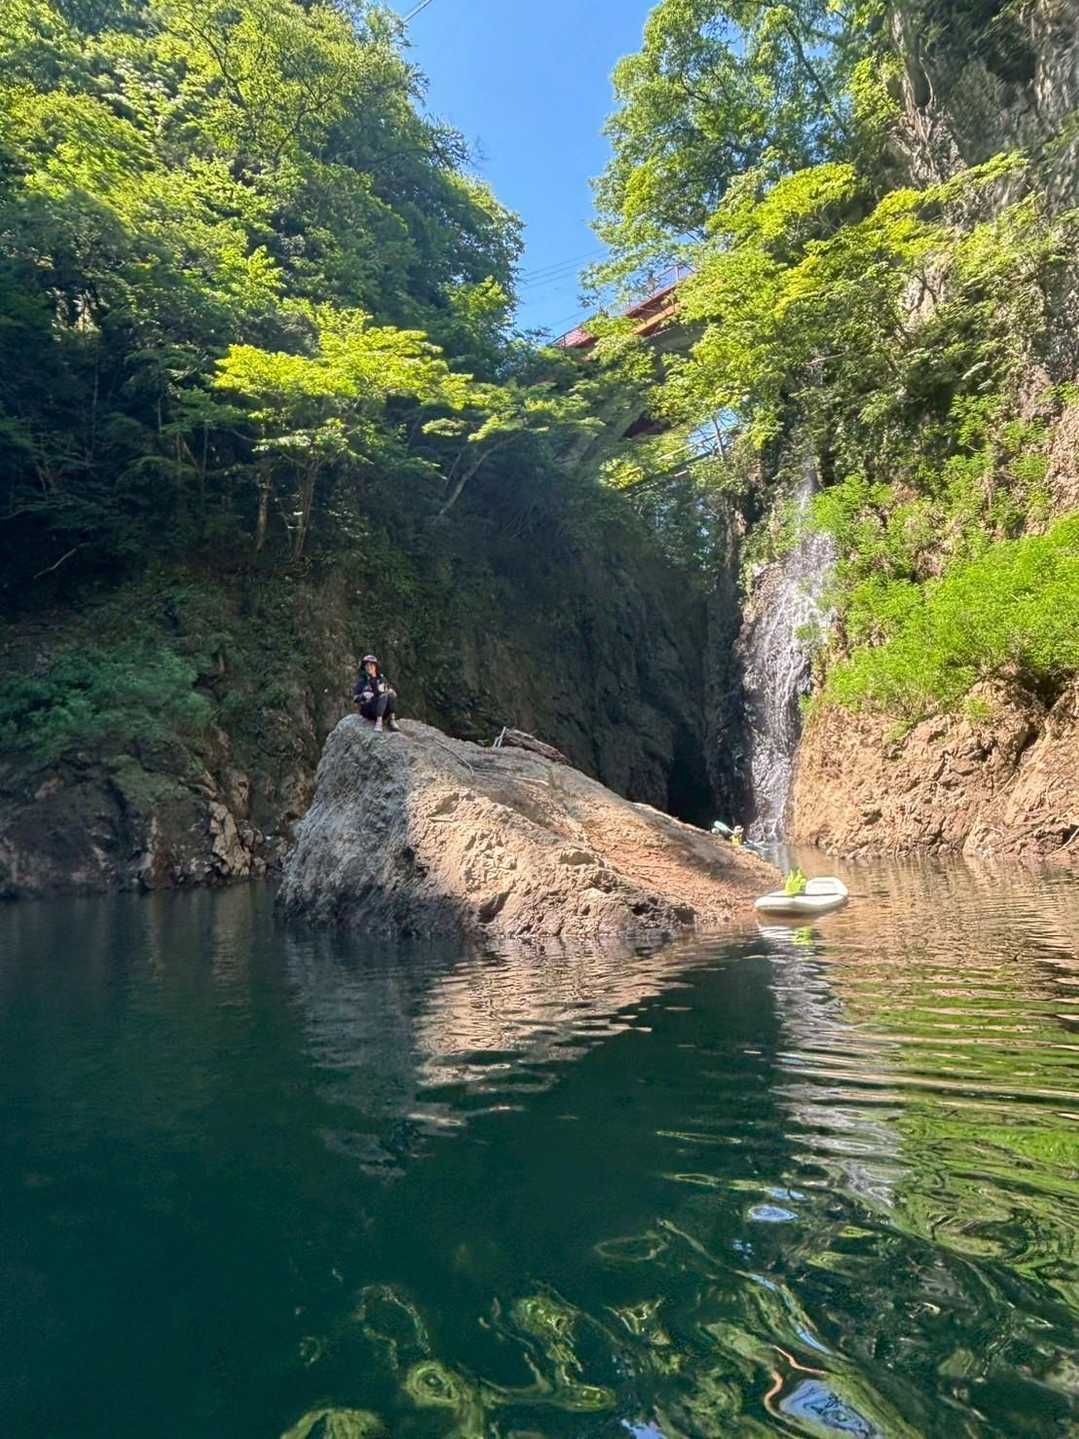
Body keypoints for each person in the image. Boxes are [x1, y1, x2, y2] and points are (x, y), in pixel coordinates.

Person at [353, 654, 400, 733]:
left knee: (389, 694)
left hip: (383, 707)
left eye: (371, 665)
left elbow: (388, 689)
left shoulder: (381, 678)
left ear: (375, 666)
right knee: (383, 695)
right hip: (369, 709)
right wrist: (363, 696)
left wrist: (391, 692)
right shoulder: (362, 681)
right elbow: (355, 698)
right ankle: (379, 722)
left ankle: (392, 720)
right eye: (367, 666)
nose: (369, 667)